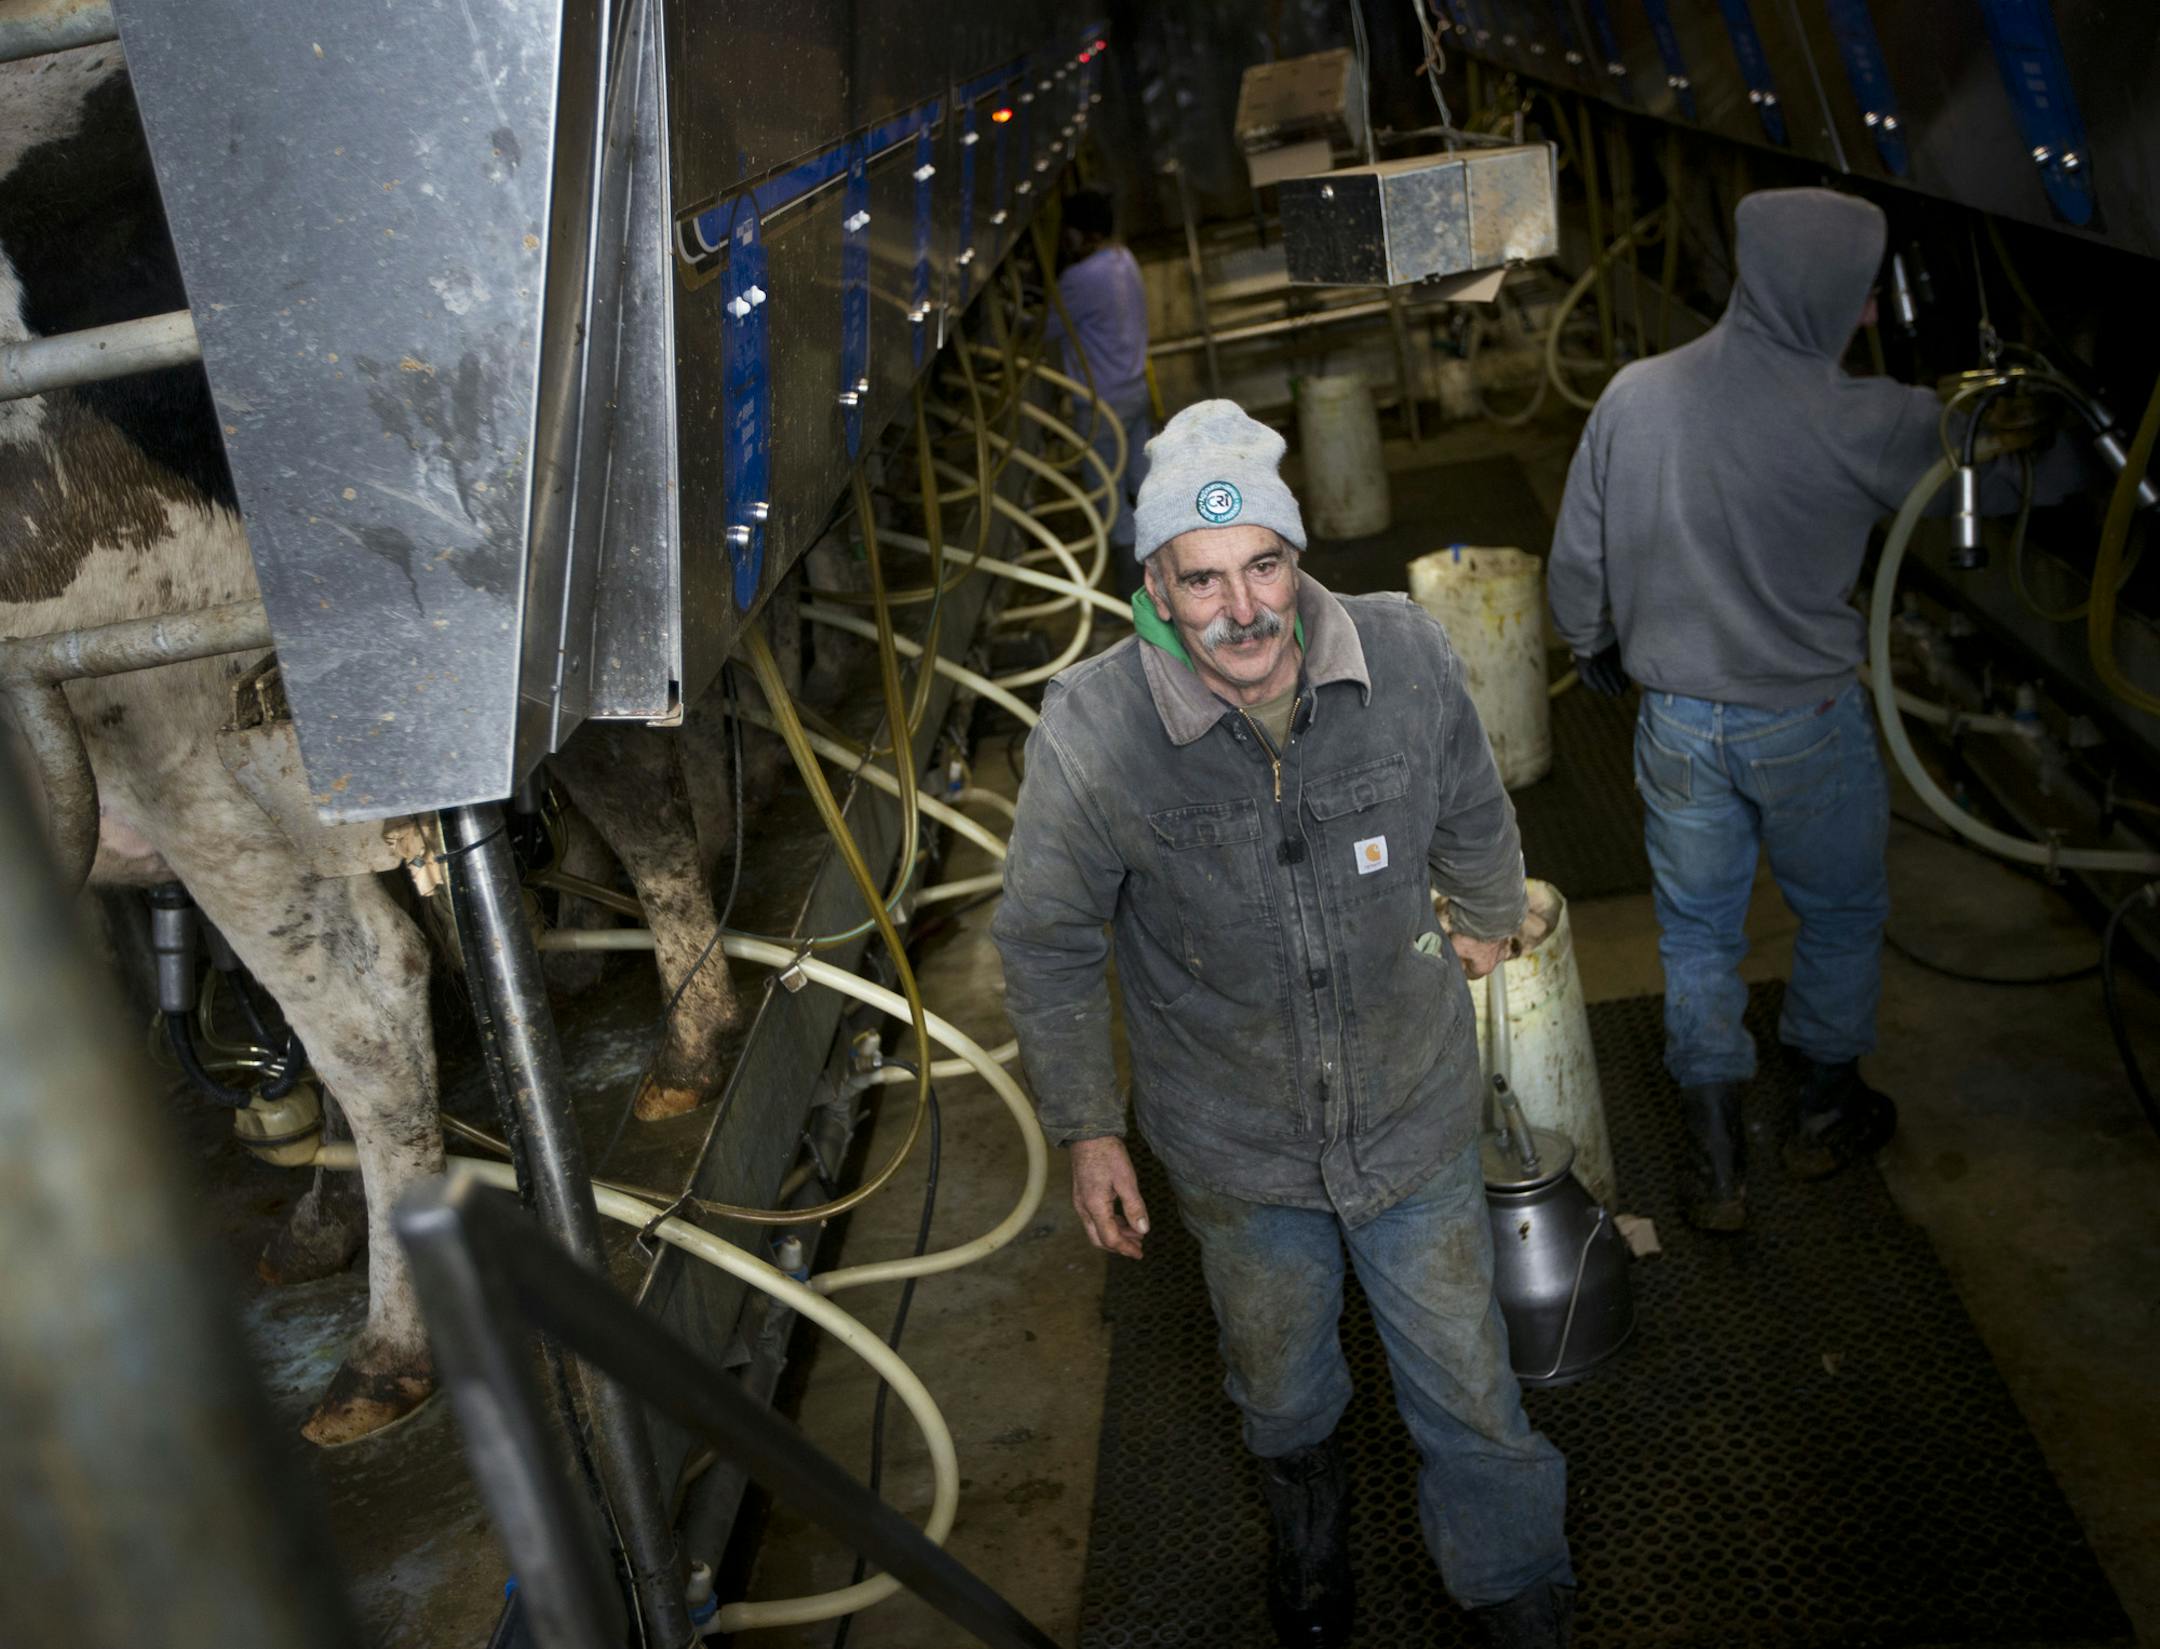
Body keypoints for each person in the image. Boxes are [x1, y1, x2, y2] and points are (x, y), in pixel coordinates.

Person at [992, 399, 1575, 1648]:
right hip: (1238, 1142)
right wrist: (1090, 1128)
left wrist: (1482, 907)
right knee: (1281, 1376)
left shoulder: (1404, 655)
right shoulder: (1095, 730)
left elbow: (1472, 792)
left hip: (1411, 1108)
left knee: (1469, 1383)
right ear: (1152, 580)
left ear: (1297, 559)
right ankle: (1306, 1520)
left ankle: (1514, 1580)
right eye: (1200, 580)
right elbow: (1043, 939)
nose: (1241, 610)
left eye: (1264, 565)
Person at [1546, 186, 2074, 1231]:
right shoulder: (1877, 421)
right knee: (1838, 913)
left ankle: (1714, 1153)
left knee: (1698, 933)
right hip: (1806, 725)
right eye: (1865, 292)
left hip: (1679, 722)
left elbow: (1576, 562)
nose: (1870, 312)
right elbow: (2026, 481)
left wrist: (1592, 644)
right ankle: (1826, 1115)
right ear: (1833, 289)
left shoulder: (1635, 395)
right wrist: (2052, 421)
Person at [1049, 188, 1153, 600]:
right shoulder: (1124, 260)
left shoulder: (1078, 279)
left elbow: (1046, 328)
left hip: (1101, 404)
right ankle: (1168, 566)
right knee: (1141, 480)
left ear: (1079, 233)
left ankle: (1133, 591)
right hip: (1134, 389)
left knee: (1107, 496)